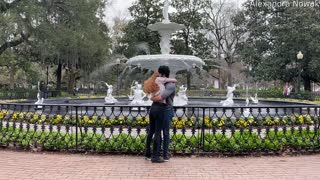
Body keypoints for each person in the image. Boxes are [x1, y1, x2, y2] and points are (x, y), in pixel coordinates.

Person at [144, 68, 177, 163]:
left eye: (160, 73)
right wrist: (153, 98)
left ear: (162, 74)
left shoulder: (170, 85)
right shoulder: (158, 82)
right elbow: (158, 97)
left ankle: (165, 154)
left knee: (165, 132)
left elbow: (160, 97)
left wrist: (151, 98)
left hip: (166, 110)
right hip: (159, 109)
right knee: (154, 132)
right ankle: (151, 154)